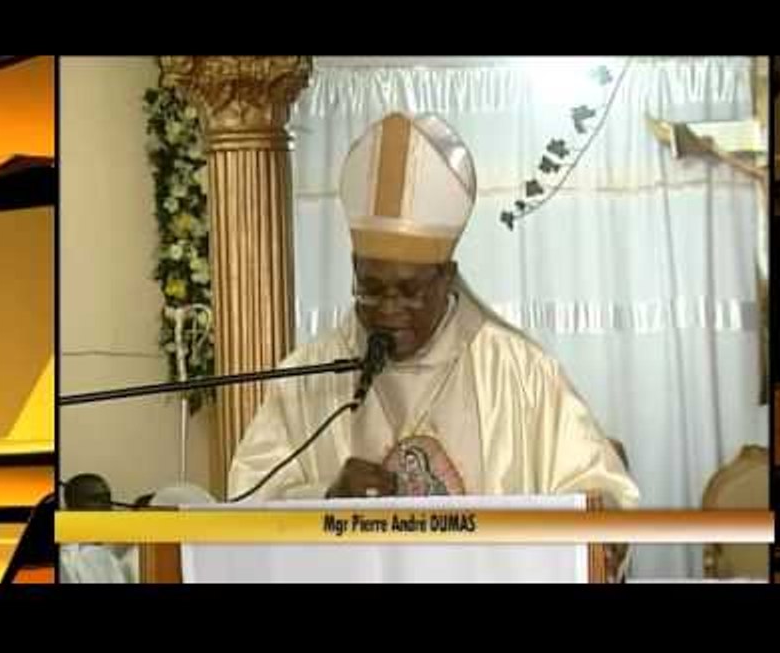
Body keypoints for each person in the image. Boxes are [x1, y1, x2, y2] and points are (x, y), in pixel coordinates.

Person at [228, 112, 640, 578]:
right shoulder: (307, 379)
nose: (388, 309)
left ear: (445, 277)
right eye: (371, 287)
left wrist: (607, 533)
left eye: (408, 291)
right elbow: (245, 511)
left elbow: (596, 493)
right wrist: (323, 502)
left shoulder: (518, 372)